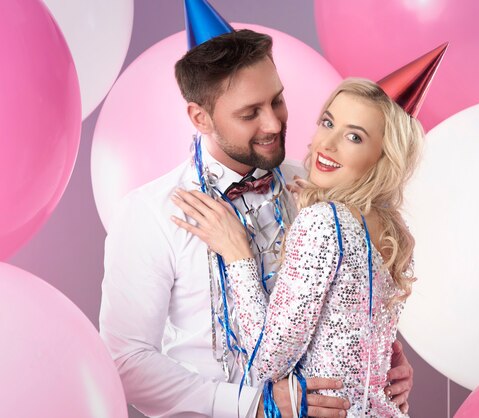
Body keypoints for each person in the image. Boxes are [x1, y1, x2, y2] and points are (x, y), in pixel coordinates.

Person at [99, 29, 413, 418]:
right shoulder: (149, 212)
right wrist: (253, 406)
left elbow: (340, 313)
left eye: (277, 100)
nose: (274, 124)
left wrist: (380, 365)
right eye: (250, 114)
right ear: (200, 117)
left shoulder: (317, 188)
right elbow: (126, 361)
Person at [171, 78, 423, 417]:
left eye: (354, 136)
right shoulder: (394, 231)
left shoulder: (323, 222)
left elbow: (266, 361)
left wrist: (237, 254)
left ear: (383, 155)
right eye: (328, 122)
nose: (327, 144)